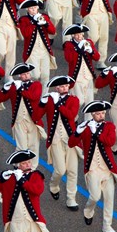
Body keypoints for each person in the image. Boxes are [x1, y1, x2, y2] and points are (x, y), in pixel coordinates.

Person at [68, 100, 117, 232]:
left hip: (107, 169)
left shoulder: (109, 126)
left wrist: (96, 133)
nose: (101, 116)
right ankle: (89, 210)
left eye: (103, 113)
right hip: (92, 169)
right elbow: (71, 143)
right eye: (98, 114)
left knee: (109, 198)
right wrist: (77, 132)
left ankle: (107, 225)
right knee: (95, 196)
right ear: (92, 114)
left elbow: (110, 142)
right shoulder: (86, 127)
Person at [36, 75, 80, 210]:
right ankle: (54, 185)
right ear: (56, 88)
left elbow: (71, 116)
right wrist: (42, 103)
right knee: (60, 170)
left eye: (66, 86)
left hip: (71, 140)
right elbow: (36, 117)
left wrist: (58, 104)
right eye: (61, 86)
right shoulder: (50, 100)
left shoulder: (74, 100)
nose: (64, 88)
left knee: (72, 171)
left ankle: (71, 198)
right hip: (55, 140)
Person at [0, 63, 45, 166]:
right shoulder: (14, 87)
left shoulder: (36, 85)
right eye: (24, 74)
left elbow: (33, 96)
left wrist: (20, 89)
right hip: (19, 121)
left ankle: (33, 168)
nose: (26, 75)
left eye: (27, 73)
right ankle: (19, 167)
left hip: (33, 120)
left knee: (33, 146)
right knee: (21, 147)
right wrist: (5, 89)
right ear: (19, 76)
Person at [17, 0, 57, 88]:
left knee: (45, 76)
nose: (34, 10)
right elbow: (26, 34)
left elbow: (53, 31)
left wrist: (46, 24)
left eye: (35, 7)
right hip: (32, 52)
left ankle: (43, 99)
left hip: (44, 50)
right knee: (35, 75)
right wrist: (33, 22)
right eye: (31, 8)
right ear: (27, 9)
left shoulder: (44, 17)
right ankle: (34, 91)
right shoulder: (24, 20)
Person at [63, 23, 99, 108]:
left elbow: (97, 58)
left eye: (80, 34)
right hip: (77, 77)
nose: (79, 37)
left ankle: (89, 121)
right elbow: (69, 58)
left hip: (89, 76)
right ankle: (73, 119)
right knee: (78, 101)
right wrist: (77, 49)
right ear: (72, 35)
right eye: (76, 35)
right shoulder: (68, 45)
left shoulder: (88, 42)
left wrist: (91, 51)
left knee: (90, 103)